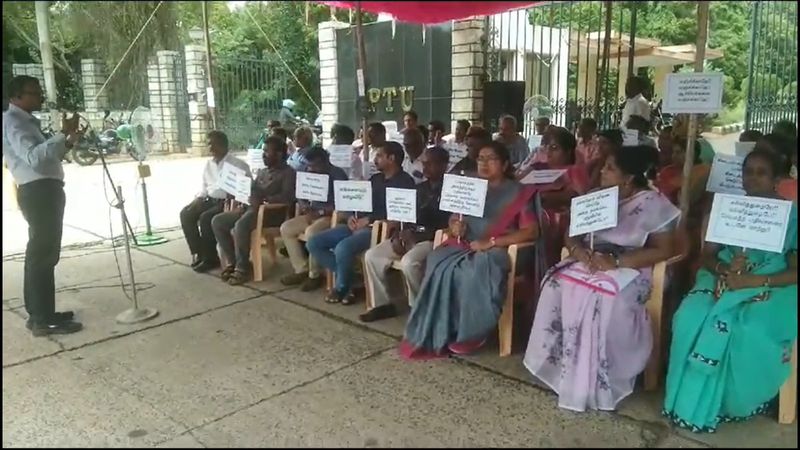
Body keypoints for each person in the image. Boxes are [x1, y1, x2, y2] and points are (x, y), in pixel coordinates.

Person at [524, 145, 680, 412]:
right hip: (590, 258)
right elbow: (571, 234)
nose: (602, 172)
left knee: (604, 299)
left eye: (610, 168)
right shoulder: (596, 196)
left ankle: (603, 375)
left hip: (633, 266)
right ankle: (564, 367)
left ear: (629, 178)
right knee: (555, 284)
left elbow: (664, 249)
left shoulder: (654, 204)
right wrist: (578, 251)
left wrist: (617, 262)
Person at [663, 149, 797, 433]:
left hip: (774, 285)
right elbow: (709, 255)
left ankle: (733, 403)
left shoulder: (792, 216)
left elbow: (795, 272)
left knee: (746, 327)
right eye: (748, 172)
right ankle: (686, 401)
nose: (753, 178)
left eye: (761, 173)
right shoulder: (728, 209)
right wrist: (724, 270)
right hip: (721, 277)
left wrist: (755, 281)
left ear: (776, 179)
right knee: (690, 316)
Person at [399, 141, 539, 359]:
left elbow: (531, 232)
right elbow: (455, 216)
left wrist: (491, 242)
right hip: (466, 244)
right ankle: (445, 327)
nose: (484, 163)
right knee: (437, 259)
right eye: (480, 158)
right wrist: (455, 224)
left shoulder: (518, 193)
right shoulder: (471, 185)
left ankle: (472, 332)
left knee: (477, 268)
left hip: (502, 248)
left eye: (491, 159)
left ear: (503, 164)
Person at [3, 75, 84, 336]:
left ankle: (42, 312)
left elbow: (49, 155)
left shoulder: (26, 121)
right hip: (38, 192)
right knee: (41, 254)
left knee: (44, 254)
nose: (39, 97)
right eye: (33, 93)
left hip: (45, 190)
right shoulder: (15, 122)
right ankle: (41, 319)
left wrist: (68, 139)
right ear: (16, 96)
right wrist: (61, 134)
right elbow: (34, 158)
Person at [307, 142, 416, 304]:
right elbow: (361, 202)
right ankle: (349, 277)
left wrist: (369, 220)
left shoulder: (405, 182)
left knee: (342, 248)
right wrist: (352, 215)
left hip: (379, 229)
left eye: (379, 155)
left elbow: (400, 212)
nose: (375, 159)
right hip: (358, 224)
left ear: (391, 158)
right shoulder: (375, 179)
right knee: (314, 242)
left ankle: (342, 287)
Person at [361, 147, 452, 322]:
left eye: (430, 163)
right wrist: (399, 235)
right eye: (424, 163)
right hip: (411, 234)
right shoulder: (419, 189)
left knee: (410, 262)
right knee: (373, 255)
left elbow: (447, 226)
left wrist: (418, 236)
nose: (425, 167)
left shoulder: (452, 190)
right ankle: (382, 304)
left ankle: (419, 309)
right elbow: (406, 216)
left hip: (435, 240)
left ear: (444, 165)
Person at [211, 136, 296, 284]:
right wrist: (240, 193)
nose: (263, 155)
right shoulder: (263, 172)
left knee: (241, 225)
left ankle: (243, 269)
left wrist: (265, 200)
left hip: (271, 213)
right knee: (218, 221)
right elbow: (253, 190)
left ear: (279, 154)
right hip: (252, 210)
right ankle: (234, 263)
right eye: (263, 152)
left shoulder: (288, 173)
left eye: (266, 152)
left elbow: (288, 197)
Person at [280, 147, 348, 291]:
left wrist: (322, 211)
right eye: (309, 165)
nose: (312, 169)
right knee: (286, 228)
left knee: (312, 233)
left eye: (315, 165)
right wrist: (304, 205)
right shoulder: (307, 172)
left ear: (325, 162)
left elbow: (342, 204)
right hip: (312, 213)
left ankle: (314, 274)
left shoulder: (338, 174)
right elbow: (300, 194)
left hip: (330, 217)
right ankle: (301, 269)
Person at [180, 131, 250, 273]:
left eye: (213, 144)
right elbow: (205, 186)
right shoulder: (209, 164)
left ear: (223, 145)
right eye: (209, 144)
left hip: (227, 201)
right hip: (209, 199)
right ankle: (199, 253)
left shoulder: (238, 165)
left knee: (206, 218)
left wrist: (235, 198)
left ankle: (211, 259)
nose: (210, 147)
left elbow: (245, 189)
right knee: (186, 213)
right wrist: (199, 198)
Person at [656, 137, 711, 207]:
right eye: (673, 152)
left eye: (678, 152)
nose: (674, 156)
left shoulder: (705, 171)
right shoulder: (667, 171)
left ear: (693, 153)